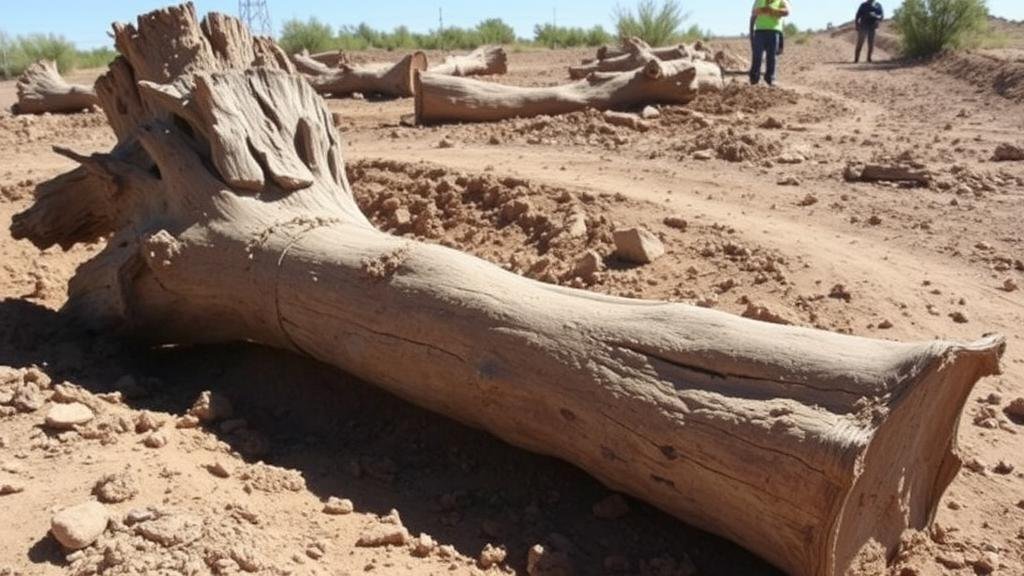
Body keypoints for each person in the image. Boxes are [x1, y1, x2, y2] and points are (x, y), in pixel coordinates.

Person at [749, 0, 791, 87]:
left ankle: (770, 79)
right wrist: (751, 33)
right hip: (759, 31)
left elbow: (787, 12)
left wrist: (773, 11)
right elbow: (753, 14)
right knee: (757, 56)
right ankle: (754, 79)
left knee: (771, 57)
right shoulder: (758, 1)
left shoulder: (781, 1)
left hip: (774, 32)